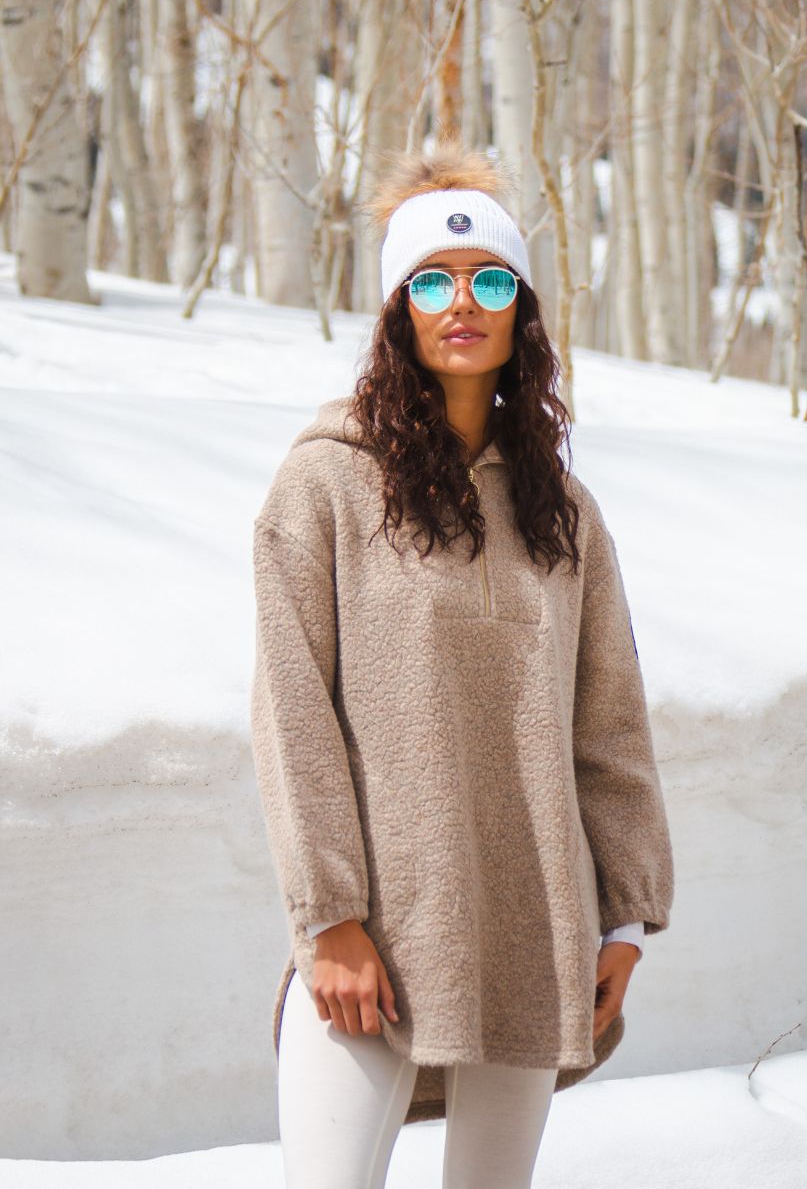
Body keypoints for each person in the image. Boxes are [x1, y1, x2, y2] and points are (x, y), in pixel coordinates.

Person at [250, 143, 675, 1189]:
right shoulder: (325, 486)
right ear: (399, 310)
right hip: (376, 928)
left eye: (490, 279)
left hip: (536, 924)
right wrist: (329, 918)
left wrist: (622, 915)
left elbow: (609, 723)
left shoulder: (564, 512)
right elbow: (291, 713)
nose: (461, 304)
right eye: (430, 283)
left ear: (522, 308)